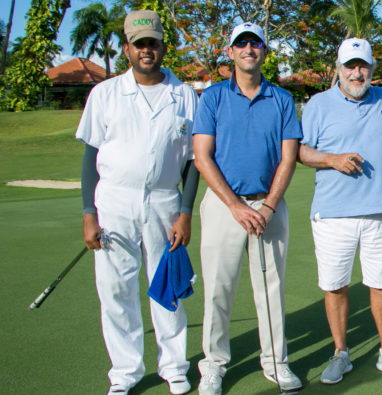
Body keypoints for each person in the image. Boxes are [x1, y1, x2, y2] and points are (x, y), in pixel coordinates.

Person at [76, 10, 198, 395]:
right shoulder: (105, 94)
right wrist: (88, 214)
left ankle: (174, 366)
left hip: (164, 202)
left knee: (167, 286)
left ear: (163, 46)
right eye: (139, 44)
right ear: (127, 48)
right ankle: (125, 373)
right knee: (116, 290)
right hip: (113, 202)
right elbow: (90, 159)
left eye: (153, 43)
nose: (147, 50)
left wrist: (185, 212)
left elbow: (194, 162)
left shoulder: (184, 96)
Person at [192, 22, 301, 395]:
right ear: (231, 52)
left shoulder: (282, 99)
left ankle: (276, 363)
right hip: (225, 206)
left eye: (256, 43)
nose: (249, 49)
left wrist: (268, 206)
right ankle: (214, 365)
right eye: (241, 43)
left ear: (264, 52)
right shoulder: (213, 98)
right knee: (219, 289)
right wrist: (237, 207)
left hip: (269, 205)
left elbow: (288, 159)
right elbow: (202, 157)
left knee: (271, 289)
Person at [299, 37, 382, 385]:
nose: (356, 73)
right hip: (332, 214)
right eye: (350, 66)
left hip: (378, 212)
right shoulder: (317, 104)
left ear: (372, 69)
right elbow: (302, 152)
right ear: (338, 69)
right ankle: (341, 353)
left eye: (362, 66)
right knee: (335, 287)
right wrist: (332, 160)